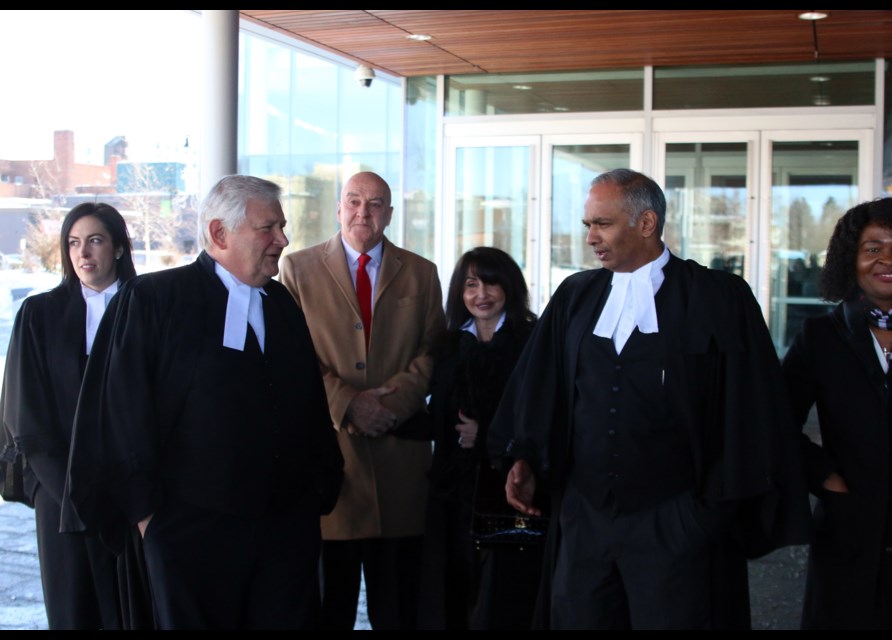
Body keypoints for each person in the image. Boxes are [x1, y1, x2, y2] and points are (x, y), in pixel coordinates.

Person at [488, 168, 810, 630]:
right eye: (587, 226)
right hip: (586, 521)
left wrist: (705, 516)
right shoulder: (575, 296)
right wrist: (523, 454)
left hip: (677, 522)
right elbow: (538, 388)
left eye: (603, 224)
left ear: (646, 223)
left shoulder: (718, 298)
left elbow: (751, 409)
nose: (591, 238)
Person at [62, 175, 344, 630]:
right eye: (268, 228)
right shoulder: (154, 299)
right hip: (189, 532)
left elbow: (308, 404)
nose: (283, 240)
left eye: (282, 227)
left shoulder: (282, 304)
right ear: (219, 234)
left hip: (284, 533)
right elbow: (121, 413)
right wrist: (149, 519)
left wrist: (318, 491)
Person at [782, 197, 892, 629]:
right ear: (851, 259)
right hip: (849, 526)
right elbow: (776, 420)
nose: (888, 259)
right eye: (872, 247)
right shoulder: (820, 336)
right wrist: (825, 478)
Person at [279, 170, 444, 630]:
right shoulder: (297, 269)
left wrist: (393, 404)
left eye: (374, 204)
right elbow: (293, 358)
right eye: (353, 201)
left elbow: (435, 350)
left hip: (400, 465)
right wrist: (349, 403)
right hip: (333, 466)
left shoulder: (422, 273)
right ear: (338, 207)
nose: (362, 213)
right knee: (328, 608)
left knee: (399, 607)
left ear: (389, 214)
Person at [0, 203, 137, 630]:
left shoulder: (150, 307)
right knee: (74, 612)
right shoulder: (39, 315)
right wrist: (69, 492)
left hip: (136, 494)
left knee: (135, 610)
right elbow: (25, 416)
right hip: (60, 495)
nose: (83, 253)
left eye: (95, 241)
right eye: (74, 243)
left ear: (117, 247)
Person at [418, 247, 542, 630]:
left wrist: (486, 433)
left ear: (509, 286)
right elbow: (436, 418)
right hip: (454, 492)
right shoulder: (448, 345)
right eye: (471, 284)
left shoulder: (531, 342)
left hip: (510, 487)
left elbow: (541, 413)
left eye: (490, 282)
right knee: (453, 592)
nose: (481, 293)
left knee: (503, 598)